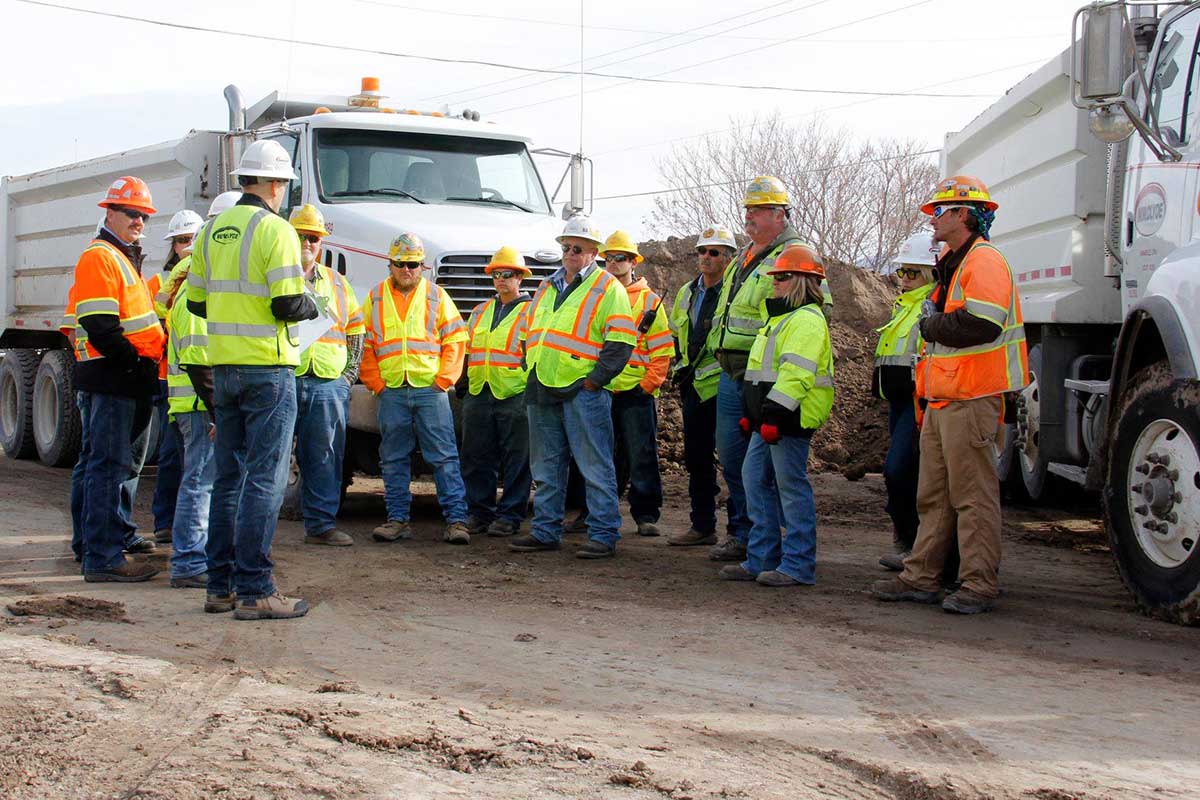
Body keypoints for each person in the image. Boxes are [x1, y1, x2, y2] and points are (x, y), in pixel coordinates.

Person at [872, 175, 1028, 614]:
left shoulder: (984, 261)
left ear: (963, 214)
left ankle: (978, 583)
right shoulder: (955, 264)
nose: (933, 219)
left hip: (970, 397)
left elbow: (982, 323)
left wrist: (931, 324)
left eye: (940, 211)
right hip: (943, 398)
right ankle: (921, 576)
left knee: (972, 496)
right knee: (934, 496)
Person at [187, 140, 318, 620]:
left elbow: (198, 302)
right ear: (274, 184)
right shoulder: (275, 230)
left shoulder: (212, 229)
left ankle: (218, 587)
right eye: (284, 184)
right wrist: (311, 298)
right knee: (264, 480)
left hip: (224, 367)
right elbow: (288, 305)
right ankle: (256, 589)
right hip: (268, 367)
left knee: (227, 481)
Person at [706, 176, 831, 563]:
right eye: (747, 209)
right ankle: (750, 539)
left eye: (757, 210)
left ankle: (781, 552)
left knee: (775, 474)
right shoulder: (746, 255)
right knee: (739, 464)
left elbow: (814, 314)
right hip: (737, 375)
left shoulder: (797, 254)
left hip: (770, 380)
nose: (749, 217)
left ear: (780, 214)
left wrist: (777, 393)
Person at [509, 215, 636, 559]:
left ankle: (604, 534)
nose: (570, 253)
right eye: (565, 247)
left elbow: (621, 342)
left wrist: (595, 381)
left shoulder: (608, 288)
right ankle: (545, 531)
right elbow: (529, 332)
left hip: (583, 390)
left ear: (594, 252)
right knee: (546, 467)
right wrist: (529, 364)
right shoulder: (547, 286)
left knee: (595, 466)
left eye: (578, 248)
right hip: (542, 384)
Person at [718, 244, 833, 587]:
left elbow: (796, 376)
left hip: (789, 421)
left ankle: (798, 565)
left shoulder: (806, 321)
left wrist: (773, 417)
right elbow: (760, 375)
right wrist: (752, 416)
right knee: (755, 481)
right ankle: (762, 558)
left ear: (802, 281)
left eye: (782, 277)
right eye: (775, 277)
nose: (775, 284)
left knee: (790, 487)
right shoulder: (779, 319)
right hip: (768, 421)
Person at [71, 176, 166, 582]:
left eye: (143, 215)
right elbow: (100, 325)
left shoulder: (123, 258)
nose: (139, 221)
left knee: (109, 467)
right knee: (107, 468)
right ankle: (102, 557)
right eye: (131, 213)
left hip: (124, 379)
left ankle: (103, 545)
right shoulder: (102, 257)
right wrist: (132, 364)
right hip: (113, 379)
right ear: (109, 212)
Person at [360, 233, 472, 545]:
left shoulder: (436, 296)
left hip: (430, 390)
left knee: (444, 456)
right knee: (394, 458)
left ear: (421, 266)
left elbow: (456, 340)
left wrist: (443, 380)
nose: (406, 270)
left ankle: (456, 521)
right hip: (392, 390)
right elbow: (363, 342)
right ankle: (397, 520)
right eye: (400, 264)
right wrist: (376, 383)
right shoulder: (375, 297)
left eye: (412, 264)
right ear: (390, 264)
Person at [289, 204, 365, 547]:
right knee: (271, 458)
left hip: (326, 383)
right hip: (283, 378)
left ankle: (321, 525)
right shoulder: (275, 277)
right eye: (300, 236)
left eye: (313, 238)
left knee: (325, 456)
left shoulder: (336, 282)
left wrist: (347, 375)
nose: (307, 243)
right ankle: (254, 529)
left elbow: (356, 330)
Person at [666, 225, 737, 547]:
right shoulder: (687, 292)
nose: (705, 258)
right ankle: (702, 525)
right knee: (697, 457)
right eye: (702, 252)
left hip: (725, 384)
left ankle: (739, 530)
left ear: (728, 257)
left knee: (734, 460)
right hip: (694, 386)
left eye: (714, 252)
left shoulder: (734, 293)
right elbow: (677, 335)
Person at [599, 230, 673, 537]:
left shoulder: (649, 302)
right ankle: (598, 511)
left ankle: (645, 515)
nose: (615, 264)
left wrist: (647, 386)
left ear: (633, 262)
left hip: (635, 392)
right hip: (601, 389)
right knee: (600, 456)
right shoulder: (597, 298)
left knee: (641, 455)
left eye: (621, 258)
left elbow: (662, 351)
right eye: (609, 258)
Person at [874, 232, 937, 572]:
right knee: (902, 472)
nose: (904, 279)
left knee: (900, 471)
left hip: (917, 404)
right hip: (898, 402)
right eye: (902, 272)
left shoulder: (928, 307)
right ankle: (906, 538)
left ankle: (913, 542)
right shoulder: (903, 307)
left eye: (912, 273)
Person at [461, 246, 533, 538]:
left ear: (520, 278)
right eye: (496, 274)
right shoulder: (480, 311)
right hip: (479, 392)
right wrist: (463, 383)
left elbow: (535, 353)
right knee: (476, 457)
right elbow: (467, 350)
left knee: (517, 458)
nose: (502, 279)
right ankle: (479, 513)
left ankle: (511, 515)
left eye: (508, 274)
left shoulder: (532, 312)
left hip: (515, 393)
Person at [148, 209, 203, 546]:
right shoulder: (160, 282)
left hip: (187, 379)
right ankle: (165, 522)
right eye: (181, 240)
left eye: (191, 239)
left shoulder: (203, 277)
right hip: (169, 377)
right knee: (171, 455)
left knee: (192, 460)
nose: (185, 246)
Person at [161, 259, 213, 588]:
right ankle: (189, 562)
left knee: (201, 481)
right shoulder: (192, 304)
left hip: (195, 404)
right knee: (200, 482)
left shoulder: (190, 298)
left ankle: (194, 557)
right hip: (198, 406)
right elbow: (197, 361)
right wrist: (219, 410)